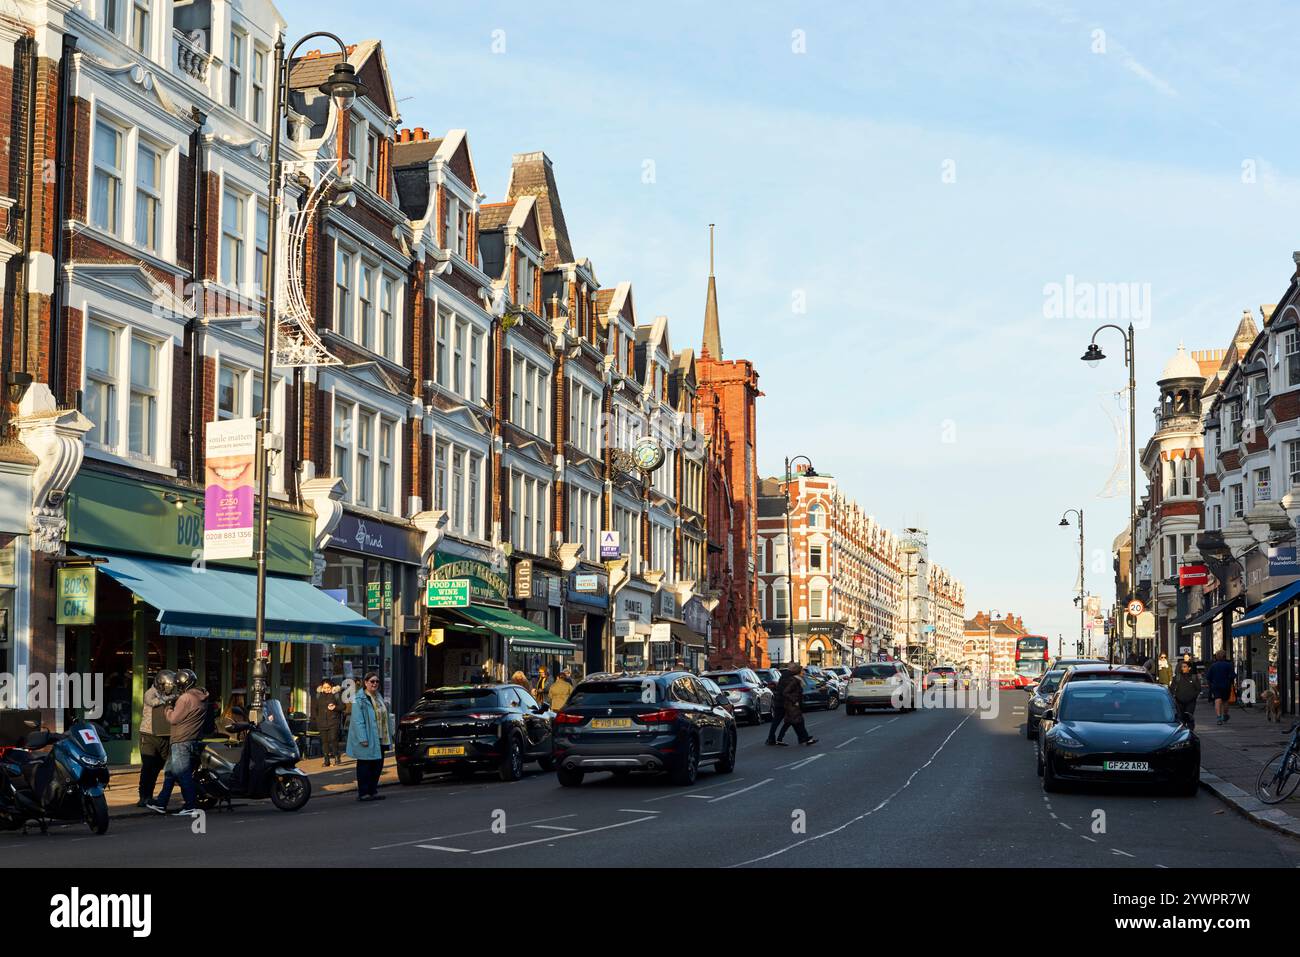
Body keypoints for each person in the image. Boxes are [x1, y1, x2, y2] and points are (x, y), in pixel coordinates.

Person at [147, 669, 209, 818]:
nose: (178, 688)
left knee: (183, 774)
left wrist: (168, 707)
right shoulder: (201, 697)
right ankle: (161, 803)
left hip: (181, 740)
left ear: (183, 684)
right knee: (170, 772)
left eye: (179, 685)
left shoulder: (185, 698)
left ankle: (190, 805)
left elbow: (173, 718)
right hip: (191, 739)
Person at [346, 672, 391, 801]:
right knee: (365, 765)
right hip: (368, 737)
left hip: (381, 737)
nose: (375, 684)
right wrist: (363, 738)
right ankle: (363, 792)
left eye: (377, 681)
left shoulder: (379, 697)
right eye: (372, 681)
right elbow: (357, 721)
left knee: (377, 765)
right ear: (365, 683)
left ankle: (373, 791)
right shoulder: (359, 699)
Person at [137, 670, 175, 807]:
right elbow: (151, 702)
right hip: (149, 735)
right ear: (160, 683)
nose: (168, 687)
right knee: (148, 766)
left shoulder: (169, 694)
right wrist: (168, 698)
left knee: (158, 767)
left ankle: (150, 795)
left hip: (164, 735)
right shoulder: (150, 692)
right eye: (166, 685)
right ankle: (143, 797)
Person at [777, 663, 817, 747]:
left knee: (790, 722)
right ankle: (806, 739)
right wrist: (794, 700)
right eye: (802, 671)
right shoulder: (794, 680)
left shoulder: (797, 680)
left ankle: (780, 739)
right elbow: (785, 692)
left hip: (792, 705)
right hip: (792, 705)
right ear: (798, 672)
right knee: (798, 722)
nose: (804, 672)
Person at [312, 678, 343, 767]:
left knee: (333, 739)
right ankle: (326, 760)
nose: (326, 690)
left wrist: (335, 707)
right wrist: (317, 719)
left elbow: (342, 707)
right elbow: (315, 708)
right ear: (321, 688)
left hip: (333, 721)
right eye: (325, 688)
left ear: (331, 687)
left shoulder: (336, 695)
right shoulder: (319, 695)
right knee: (324, 741)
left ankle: (337, 756)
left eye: (328, 688)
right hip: (322, 722)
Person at [1205, 650, 1236, 725]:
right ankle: (1225, 715)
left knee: (1217, 700)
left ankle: (1218, 717)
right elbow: (1233, 676)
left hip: (1216, 686)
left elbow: (1208, 677)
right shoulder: (1229, 665)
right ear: (1225, 656)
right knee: (1225, 701)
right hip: (1226, 685)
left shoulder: (1213, 666)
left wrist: (1211, 683)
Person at [1170, 659, 1201, 727]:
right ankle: (1182, 731)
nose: (1183, 668)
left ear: (1189, 668)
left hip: (1191, 702)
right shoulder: (1177, 677)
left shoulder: (1194, 677)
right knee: (1181, 718)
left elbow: (1198, 689)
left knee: (1189, 716)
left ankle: (1190, 730)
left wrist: (1194, 696)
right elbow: (1172, 688)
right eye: (1182, 667)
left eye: (1185, 667)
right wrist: (1175, 696)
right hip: (1179, 701)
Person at [766, 667, 789, 746]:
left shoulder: (780, 683)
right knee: (789, 721)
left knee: (776, 722)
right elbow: (785, 694)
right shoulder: (786, 684)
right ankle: (775, 738)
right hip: (783, 705)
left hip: (779, 704)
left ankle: (771, 738)